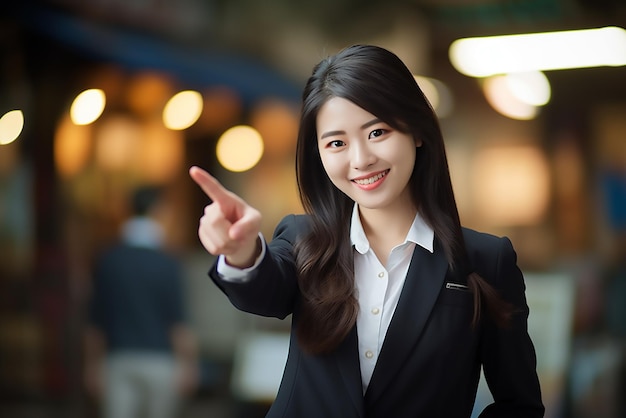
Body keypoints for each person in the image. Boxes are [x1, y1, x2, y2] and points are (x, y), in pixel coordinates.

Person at [189, 44, 544, 417]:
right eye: (337, 143)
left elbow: (519, 405)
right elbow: (264, 292)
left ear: (417, 131)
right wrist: (242, 251)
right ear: (319, 154)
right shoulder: (302, 239)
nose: (360, 159)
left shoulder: (486, 260)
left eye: (377, 132)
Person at [84, 186, 198, 418]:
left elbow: (96, 321)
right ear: (158, 211)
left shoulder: (108, 260)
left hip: (117, 360)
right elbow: (178, 321)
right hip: (161, 362)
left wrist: (91, 365)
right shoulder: (168, 262)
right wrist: (189, 364)